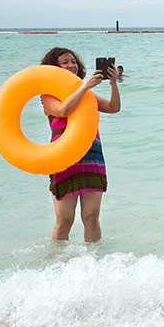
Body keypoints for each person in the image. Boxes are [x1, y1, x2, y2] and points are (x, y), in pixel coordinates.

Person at [40, 47, 121, 242]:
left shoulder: (87, 95)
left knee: (91, 217)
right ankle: (56, 265)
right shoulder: (48, 95)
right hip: (64, 157)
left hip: (91, 156)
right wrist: (85, 87)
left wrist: (113, 84)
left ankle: (94, 264)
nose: (71, 65)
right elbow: (63, 110)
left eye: (73, 61)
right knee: (64, 220)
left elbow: (113, 108)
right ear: (55, 67)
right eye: (65, 62)